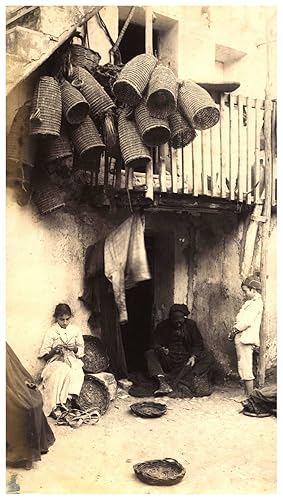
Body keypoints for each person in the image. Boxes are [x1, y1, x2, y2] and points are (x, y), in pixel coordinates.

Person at [145, 304, 216, 396]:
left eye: (180, 319)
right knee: (150, 353)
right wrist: (161, 349)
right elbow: (154, 343)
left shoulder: (191, 325)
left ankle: (191, 377)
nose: (178, 322)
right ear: (170, 318)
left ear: (184, 318)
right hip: (169, 359)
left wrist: (193, 356)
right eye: (175, 319)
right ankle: (162, 382)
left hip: (186, 360)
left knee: (209, 356)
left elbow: (197, 343)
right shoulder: (162, 326)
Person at [6, 343, 55, 470]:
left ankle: (30, 453)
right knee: (21, 408)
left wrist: (25, 381)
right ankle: (20, 455)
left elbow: (16, 368)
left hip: (11, 385)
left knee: (33, 402)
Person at [38, 303, 85, 417]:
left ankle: (70, 401)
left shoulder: (75, 330)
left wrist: (73, 348)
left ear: (70, 317)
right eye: (61, 319)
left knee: (77, 371)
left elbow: (81, 349)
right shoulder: (52, 331)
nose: (65, 322)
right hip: (55, 361)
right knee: (61, 371)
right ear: (56, 318)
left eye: (67, 319)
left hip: (71, 359)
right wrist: (54, 350)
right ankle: (55, 405)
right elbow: (45, 355)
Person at [228, 275, 263, 396]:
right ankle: (246, 395)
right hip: (242, 338)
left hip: (245, 338)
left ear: (253, 290)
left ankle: (250, 397)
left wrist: (234, 331)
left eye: (245, 291)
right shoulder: (251, 302)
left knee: (245, 367)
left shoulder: (255, 303)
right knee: (243, 367)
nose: (244, 294)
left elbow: (246, 322)